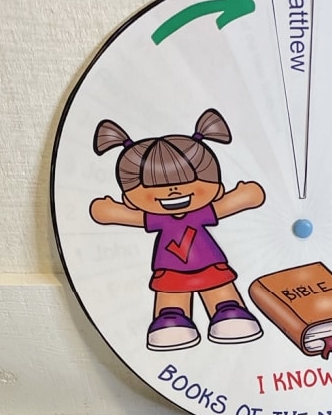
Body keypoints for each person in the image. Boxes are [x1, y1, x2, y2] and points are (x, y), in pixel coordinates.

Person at [90, 108, 265, 351]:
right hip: (171, 269)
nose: (174, 191)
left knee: (219, 289)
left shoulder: (200, 212)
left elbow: (232, 203)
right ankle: (171, 318)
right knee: (171, 296)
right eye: (155, 186)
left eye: (187, 182)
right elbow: (128, 216)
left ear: (216, 188)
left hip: (209, 264)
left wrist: (244, 196)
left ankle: (228, 310)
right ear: (129, 198)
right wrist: (109, 211)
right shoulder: (157, 218)